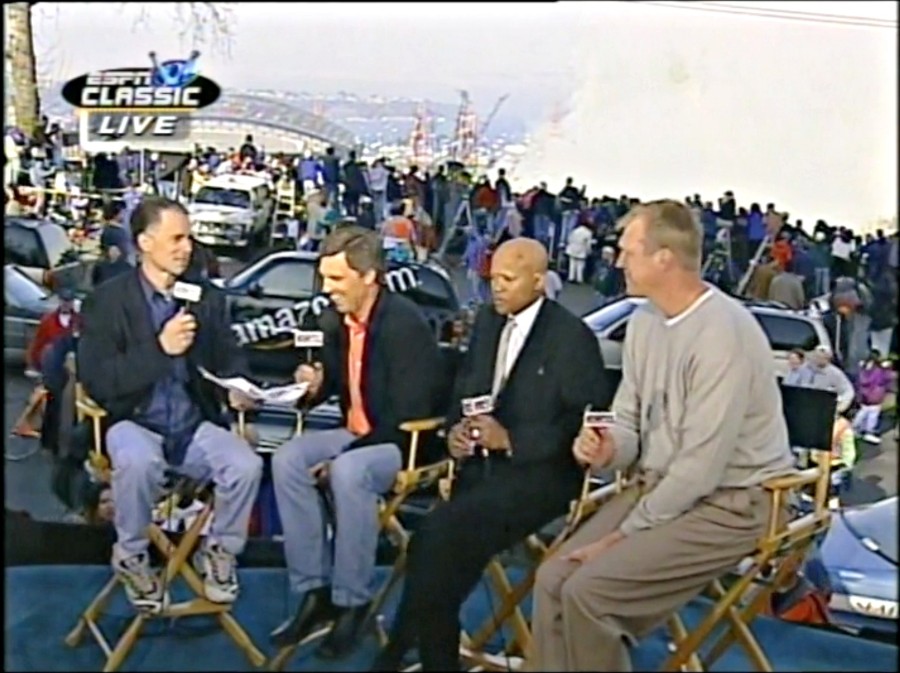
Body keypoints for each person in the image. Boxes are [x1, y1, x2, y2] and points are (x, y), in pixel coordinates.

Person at [528, 199, 796, 671]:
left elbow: (700, 468)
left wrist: (620, 537)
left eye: (628, 250)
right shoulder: (646, 323)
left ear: (663, 258)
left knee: (592, 593)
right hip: (662, 487)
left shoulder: (723, 333)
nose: (616, 260)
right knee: (552, 577)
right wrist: (608, 447)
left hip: (732, 502)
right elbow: (629, 419)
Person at [373, 238, 612, 671]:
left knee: (436, 538)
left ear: (539, 281)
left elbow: (583, 423)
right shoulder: (486, 322)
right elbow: (464, 388)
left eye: (507, 279)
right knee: (439, 550)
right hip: (480, 470)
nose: (496, 288)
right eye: (491, 279)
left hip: (540, 478)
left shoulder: (571, 338)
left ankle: (410, 653)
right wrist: (456, 433)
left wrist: (513, 440)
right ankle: (428, 656)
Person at [77, 196, 263, 612]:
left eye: (189, 237)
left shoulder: (204, 297)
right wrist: (160, 349)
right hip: (132, 421)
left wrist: (239, 387)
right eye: (176, 238)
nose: (187, 248)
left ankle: (218, 552)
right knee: (140, 462)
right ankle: (131, 555)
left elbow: (229, 356)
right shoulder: (107, 301)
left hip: (192, 424)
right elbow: (100, 380)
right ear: (144, 242)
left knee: (246, 464)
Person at [270, 225, 443, 658]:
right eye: (324, 279)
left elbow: (406, 415)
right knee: (287, 458)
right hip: (358, 431)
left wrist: (345, 454)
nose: (326, 290)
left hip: (402, 440)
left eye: (336, 280)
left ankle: (353, 601)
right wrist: (312, 385)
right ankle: (313, 591)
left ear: (368, 277)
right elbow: (336, 384)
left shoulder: (405, 324)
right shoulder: (336, 319)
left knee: (348, 471)